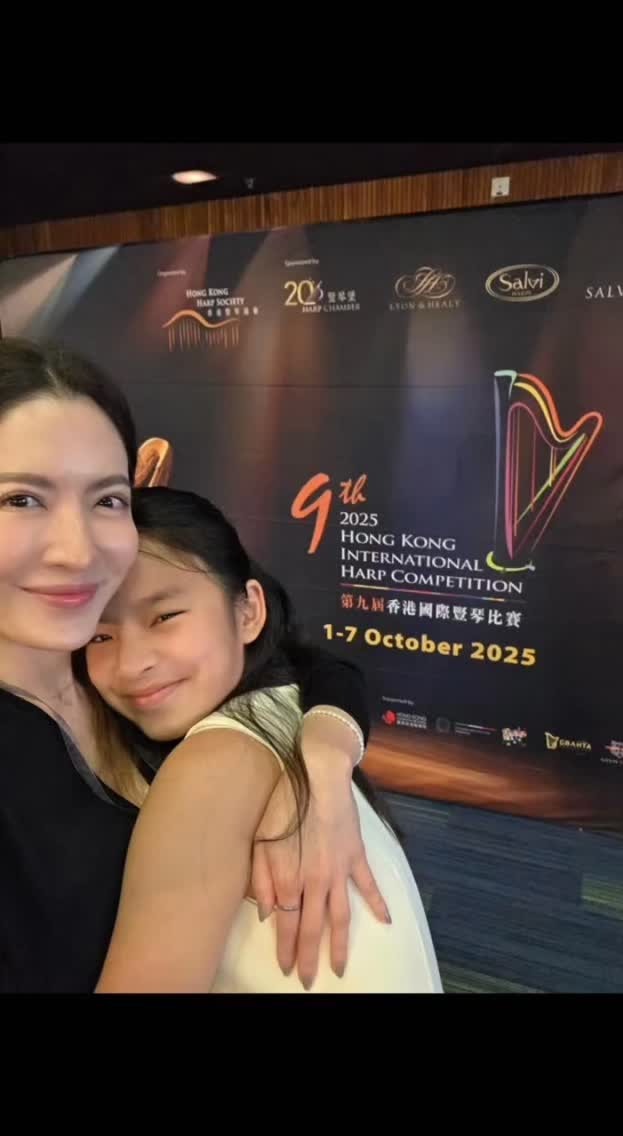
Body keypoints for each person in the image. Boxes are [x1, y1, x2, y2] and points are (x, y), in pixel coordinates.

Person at [0, 337, 387, 993]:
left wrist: (319, 760)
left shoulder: (94, 661)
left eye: (107, 499)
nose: (78, 550)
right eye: (21, 500)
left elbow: (307, 665)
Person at [88, 488, 443, 993]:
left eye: (164, 617)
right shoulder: (285, 703)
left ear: (249, 611)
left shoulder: (213, 764)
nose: (131, 663)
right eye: (99, 636)